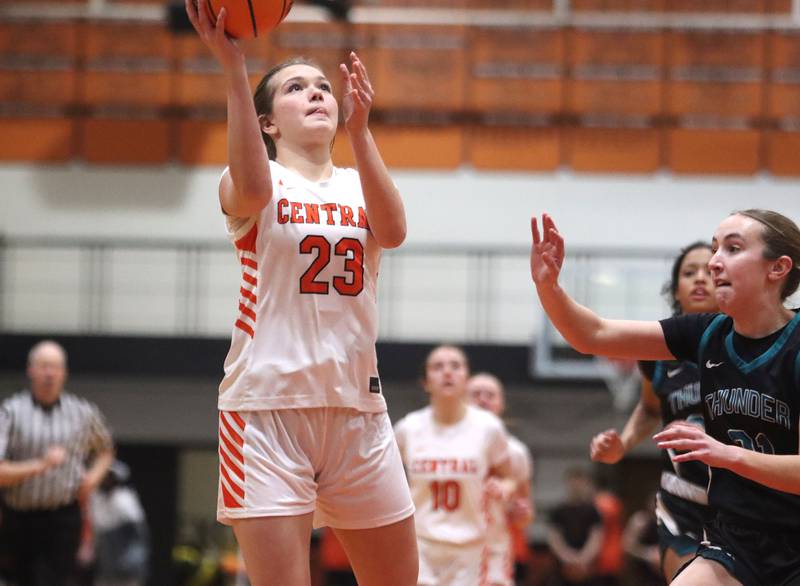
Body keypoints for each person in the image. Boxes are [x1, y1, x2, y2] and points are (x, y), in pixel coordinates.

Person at [183, 2, 417, 585]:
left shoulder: (359, 183)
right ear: (268, 122)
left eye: (321, 87)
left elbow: (393, 232)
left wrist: (361, 133)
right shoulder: (248, 180)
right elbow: (255, 187)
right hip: (266, 411)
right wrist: (234, 69)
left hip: (357, 409)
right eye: (294, 88)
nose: (315, 94)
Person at [530, 210, 800, 586]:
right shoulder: (707, 333)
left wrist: (726, 455)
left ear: (778, 268)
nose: (714, 261)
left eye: (733, 248)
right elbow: (593, 334)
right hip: (738, 541)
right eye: (714, 248)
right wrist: (549, 288)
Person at [589, 241, 718, 582]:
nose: (701, 279)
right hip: (682, 498)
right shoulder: (657, 350)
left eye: (710, 270)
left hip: (743, 498)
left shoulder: (750, 346)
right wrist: (625, 442)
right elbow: (649, 407)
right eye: (690, 273)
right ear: (676, 289)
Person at [394, 345, 512, 586]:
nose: (447, 372)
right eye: (438, 367)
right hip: (421, 545)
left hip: (471, 548)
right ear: (426, 382)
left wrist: (504, 488)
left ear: (466, 379)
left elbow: (509, 477)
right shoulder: (408, 428)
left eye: (455, 366)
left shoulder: (488, 427)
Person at [0, 340, 114, 586]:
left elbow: (106, 450)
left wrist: (92, 479)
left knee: (54, 580)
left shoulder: (83, 412)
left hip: (63, 516)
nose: (49, 373)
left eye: (55, 367)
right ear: (31, 370)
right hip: (19, 518)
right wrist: (41, 464)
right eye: (43, 366)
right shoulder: (11, 412)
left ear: (64, 372)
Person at [467, 372, 535, 586]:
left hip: (494, 553)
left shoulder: (516, 452)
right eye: (476, 394)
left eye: (490, 395)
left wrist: (521, 513)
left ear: (501, 404)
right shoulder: (442, 446)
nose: (483, 399)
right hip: (446, 552)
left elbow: (525, 514)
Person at [90, 460, 149, 586]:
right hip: (105, 565)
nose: (105, 479)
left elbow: (137, 535)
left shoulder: (125, 499)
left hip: (125, 567)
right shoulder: (97, 498)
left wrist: (132, 563)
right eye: (104, 476)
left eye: (109, 477)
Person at [546, 467, 604, 586]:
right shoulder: (558, 510)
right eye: (573, 482)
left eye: (580, 482)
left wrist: (583, 558)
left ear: (586, 484)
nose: (576, 486)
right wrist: (567, 557)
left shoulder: (593, 511)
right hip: (563, 566)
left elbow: (596, 537)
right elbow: (554, 537)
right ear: (568, 483)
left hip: (587, 567)